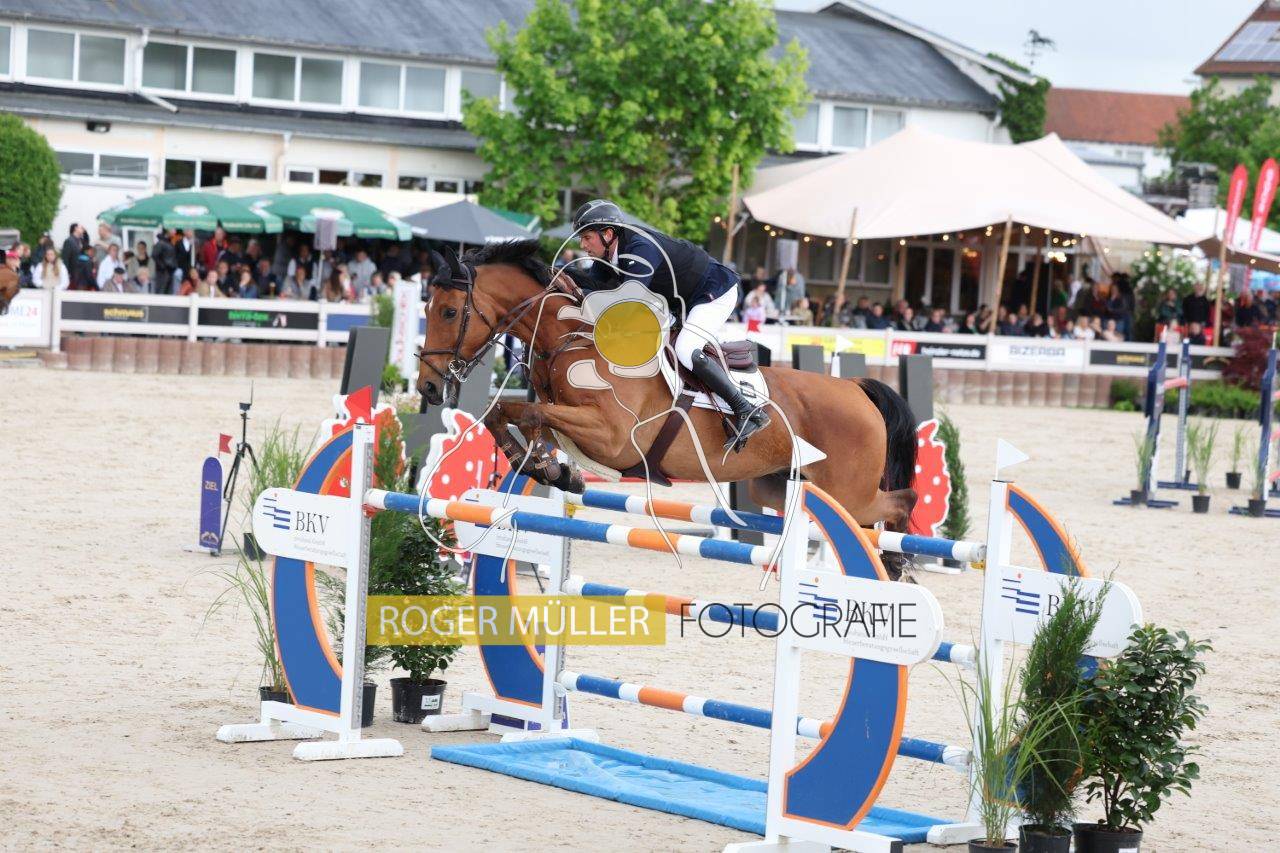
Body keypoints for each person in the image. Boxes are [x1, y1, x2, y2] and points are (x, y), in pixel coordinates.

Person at [571, 198, 769, 448]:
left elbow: (630, 301)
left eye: (587, 237)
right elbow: (592, 285)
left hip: (714, 291)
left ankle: (745, 409)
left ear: (608, 234)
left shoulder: (640, 248)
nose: (583, 245)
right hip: (681, 302)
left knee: (685, 348)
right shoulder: (608, 256)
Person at [152, 230, 176, 294]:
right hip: (162, 272)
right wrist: (162, 265)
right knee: (161, 290)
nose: (175, 231)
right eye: (173, 229)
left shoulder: (168, 242)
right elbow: (154, 255)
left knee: (168, 291)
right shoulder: (161, 243)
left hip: (169, 270)